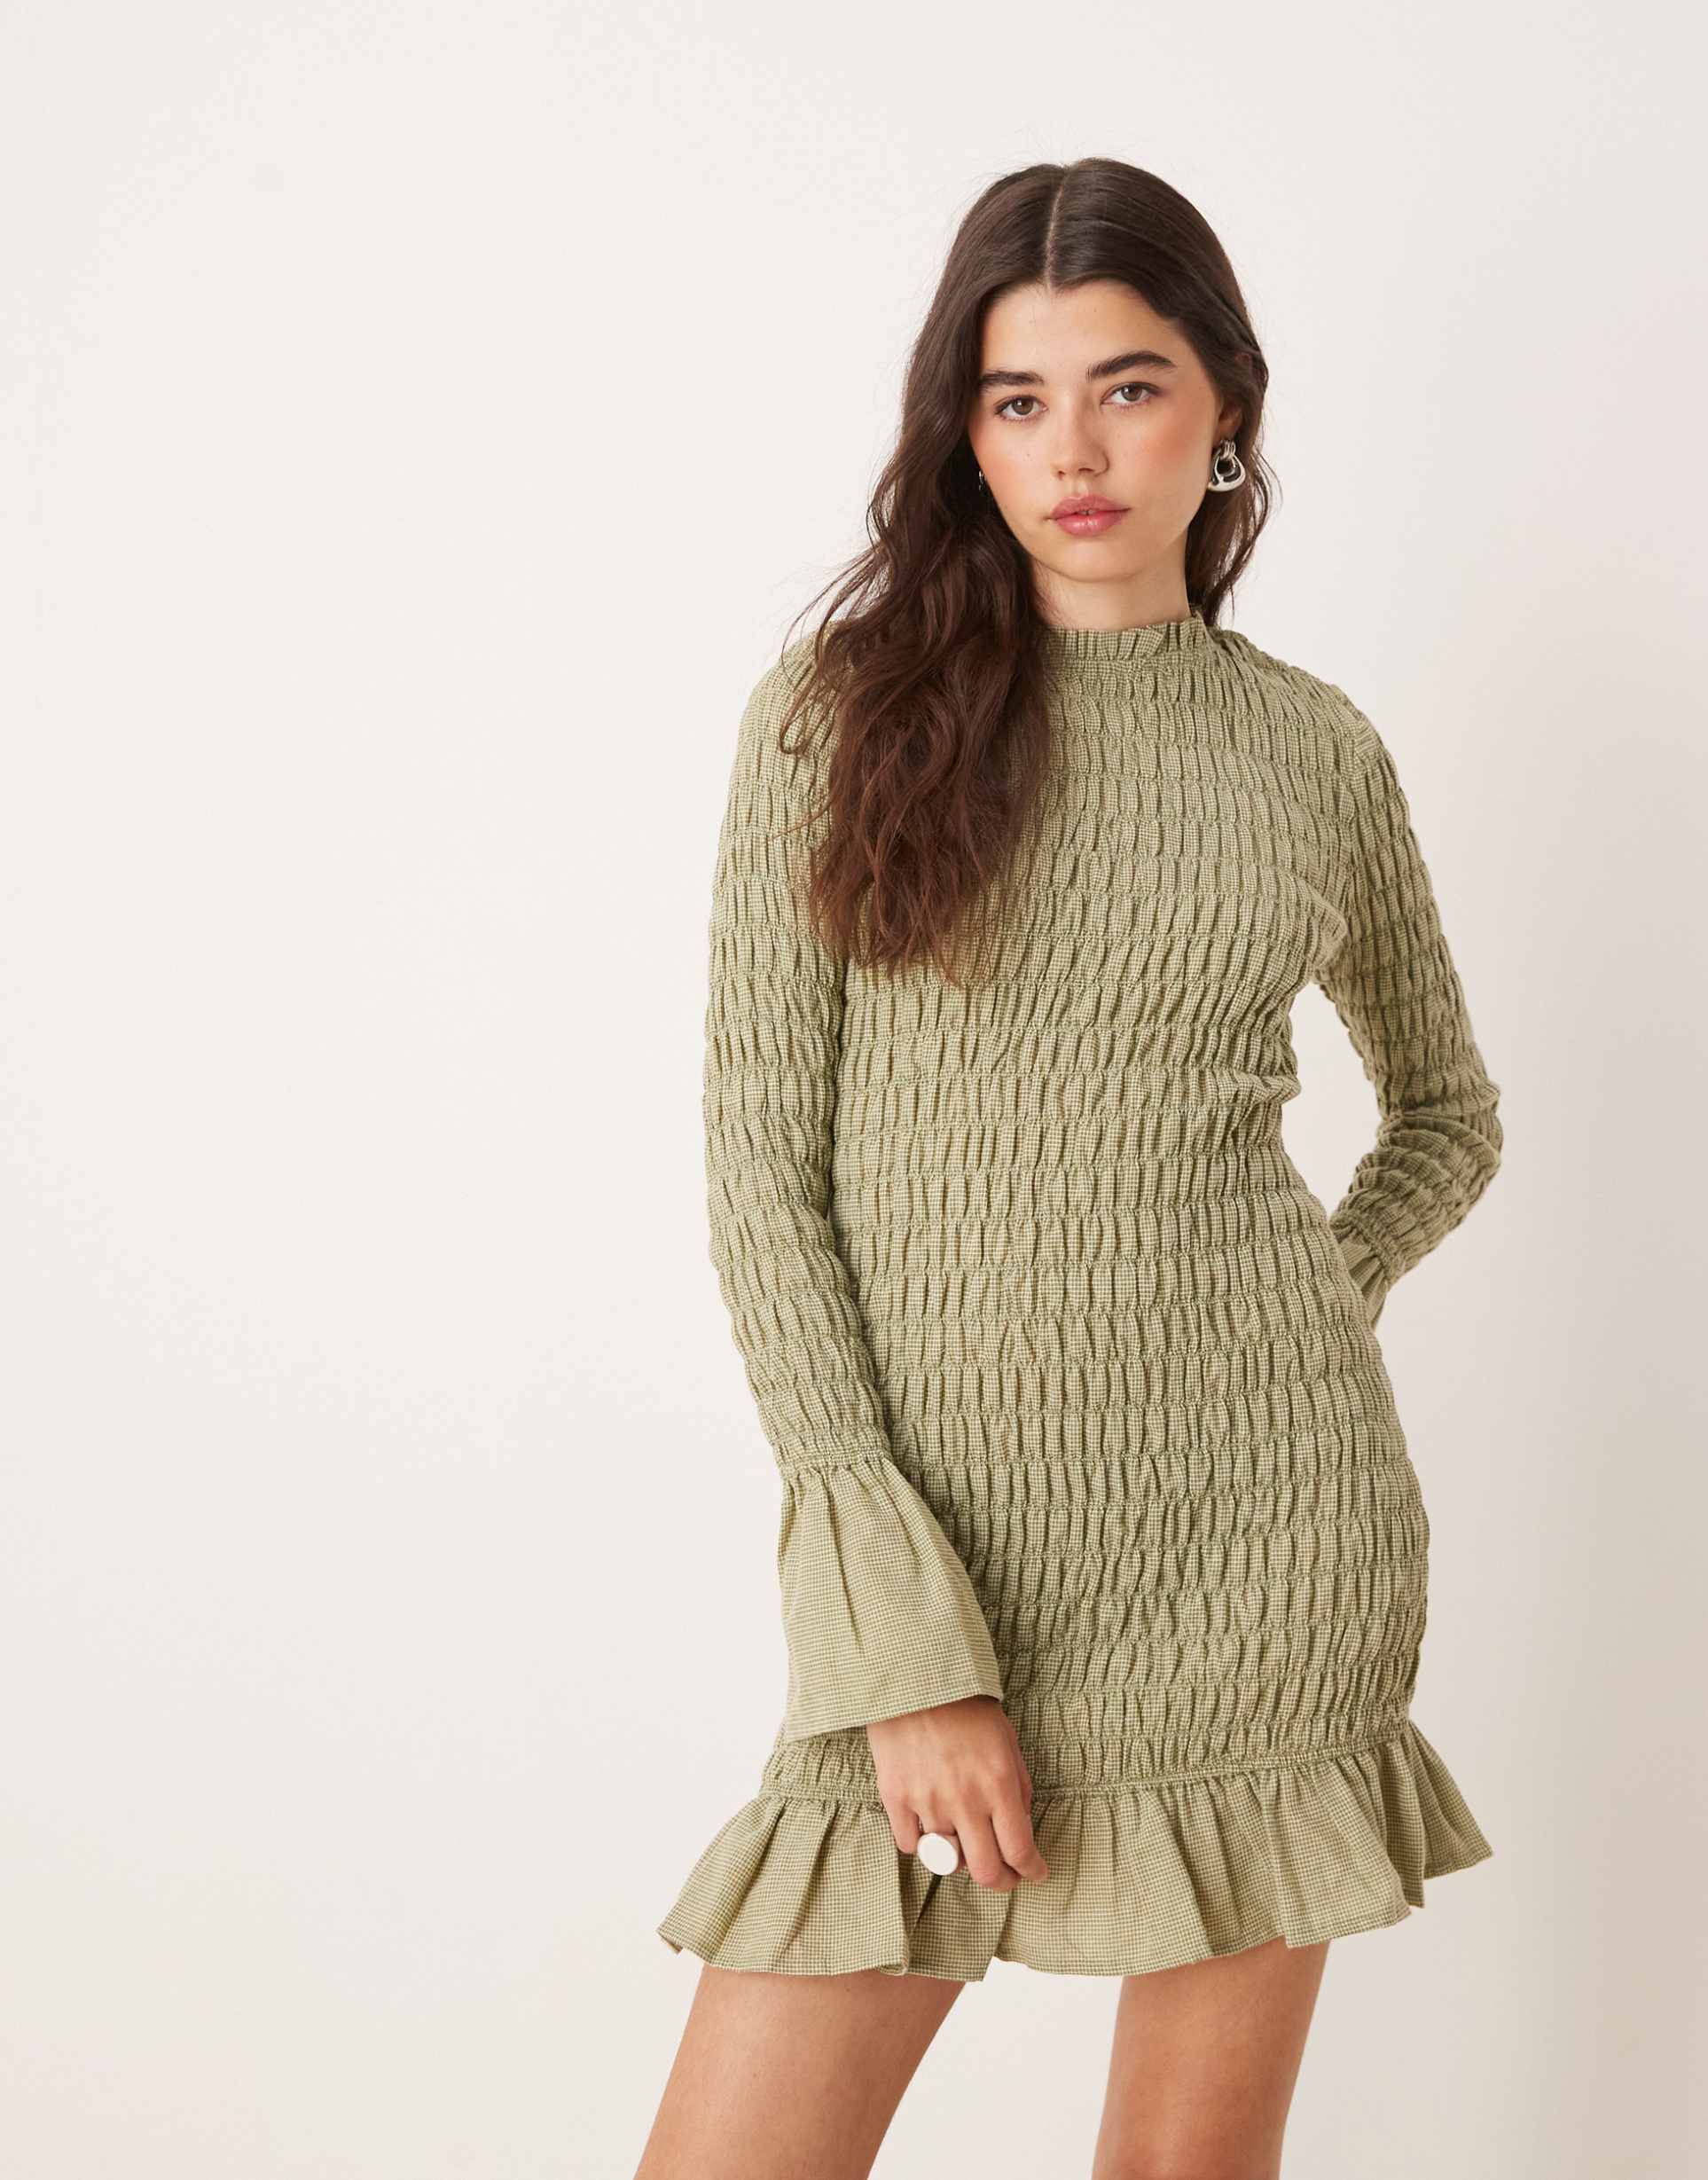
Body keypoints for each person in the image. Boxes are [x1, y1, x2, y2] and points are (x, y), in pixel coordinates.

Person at [638, 156, 1504, 2180]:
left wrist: (1295, 1297)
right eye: (1016, 400)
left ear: (1226, 409)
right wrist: (897, 1645)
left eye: (1127, 387)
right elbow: (763, 1177)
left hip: (1264, 1553)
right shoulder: (840, 722)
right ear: (964, 433)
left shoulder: (1311, 751)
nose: (1074, 451)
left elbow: (1447, 1112)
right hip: (942, 1569)